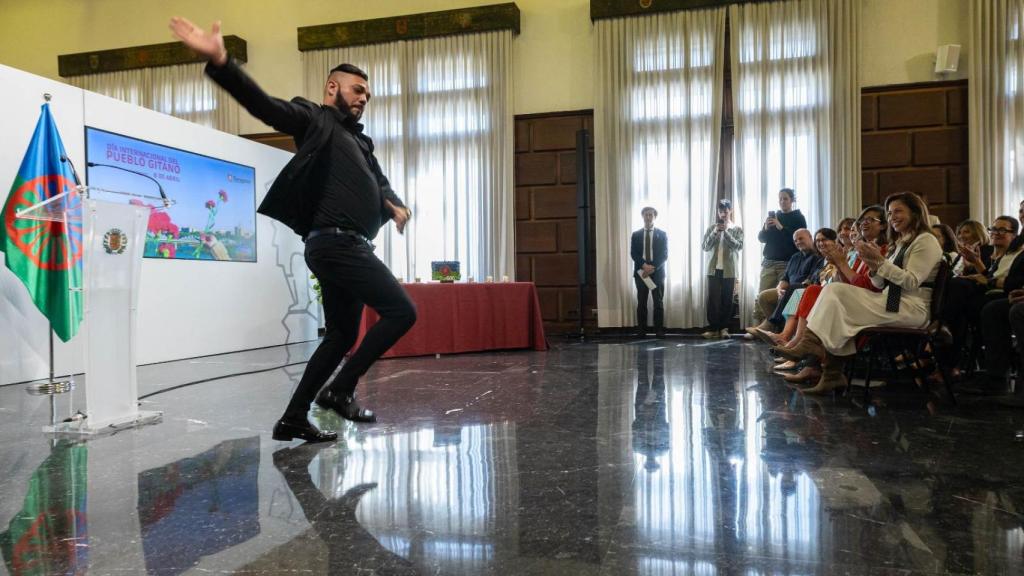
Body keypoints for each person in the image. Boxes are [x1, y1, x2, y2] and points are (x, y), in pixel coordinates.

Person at [170, 17, 416, 442]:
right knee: (402, 312)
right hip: (336, 243)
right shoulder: (314, 119)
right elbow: (266, 107)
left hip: (344, 245)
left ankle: (293, 419)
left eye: (368, 95)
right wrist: (222, 62)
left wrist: (395, 205)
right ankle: (340, 389)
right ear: (332, 88)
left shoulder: (360, 142)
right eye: (358, 91)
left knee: (340, 335)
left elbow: (379, 182)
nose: (364, 99)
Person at [779, 192, 943, 394]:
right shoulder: (901, 243)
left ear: (916, 212)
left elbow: (911, 281)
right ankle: (825, 366)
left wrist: (880, 263)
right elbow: (880, 281)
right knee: (834, 290)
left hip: (912, 308)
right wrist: (873, 265)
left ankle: (818, 355)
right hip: (891, 301)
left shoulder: (925, 240)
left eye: (898, 211)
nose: (893, 217)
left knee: (837, 300)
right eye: (890, 213)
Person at [747, 229, 820, 336]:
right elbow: (785, 278)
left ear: (810, 237)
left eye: (801, 238)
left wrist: (790, 289)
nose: (798, 242)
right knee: (764, 297)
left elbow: (812, 280)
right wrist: (779, 289)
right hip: (788, 290)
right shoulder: (794, 257)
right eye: (795, 241)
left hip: (803, 291)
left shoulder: (817, 256)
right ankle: (776, 327)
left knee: (793, 288)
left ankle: (770, 324)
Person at [753, 188, 807, 323]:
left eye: (785, 199)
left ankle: (777, 327)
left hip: (786, 263)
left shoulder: (798, 218)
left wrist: (780, 227)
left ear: (792, 201)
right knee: (761, 295)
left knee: (781, 297)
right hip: (769, 262)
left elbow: (797, 241)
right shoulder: (774, 216)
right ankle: (758, 327)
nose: (782, 201)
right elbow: (761, 238)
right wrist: (766, 227)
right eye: (780, 199)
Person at [700, 199, 743, 339]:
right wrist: (715, 232)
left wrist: (727, 233)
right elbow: (705, 247)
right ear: (718, 213)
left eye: (725, 210)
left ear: (730, 211)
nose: (723, 214)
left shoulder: (736, 229)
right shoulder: (711, 228)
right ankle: (713, 329)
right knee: (713, 300)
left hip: (729, 270)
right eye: (720, 211)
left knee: (727, 300)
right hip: (713, 269)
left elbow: (738, 246)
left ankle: (724, 328)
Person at [630, 206, 668, 337]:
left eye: (651, 215)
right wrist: (644, 266)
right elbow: (633, 254)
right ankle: (641, 330)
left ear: (654, 217)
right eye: (646, 215)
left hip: (657, 273)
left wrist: (652, 268)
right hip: (641, 272)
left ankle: (659, 330)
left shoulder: (662, 234)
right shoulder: (636, 235)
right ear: (642, 216)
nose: (648, 217)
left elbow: (664, 255)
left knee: (658, 302)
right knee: (641, 302)